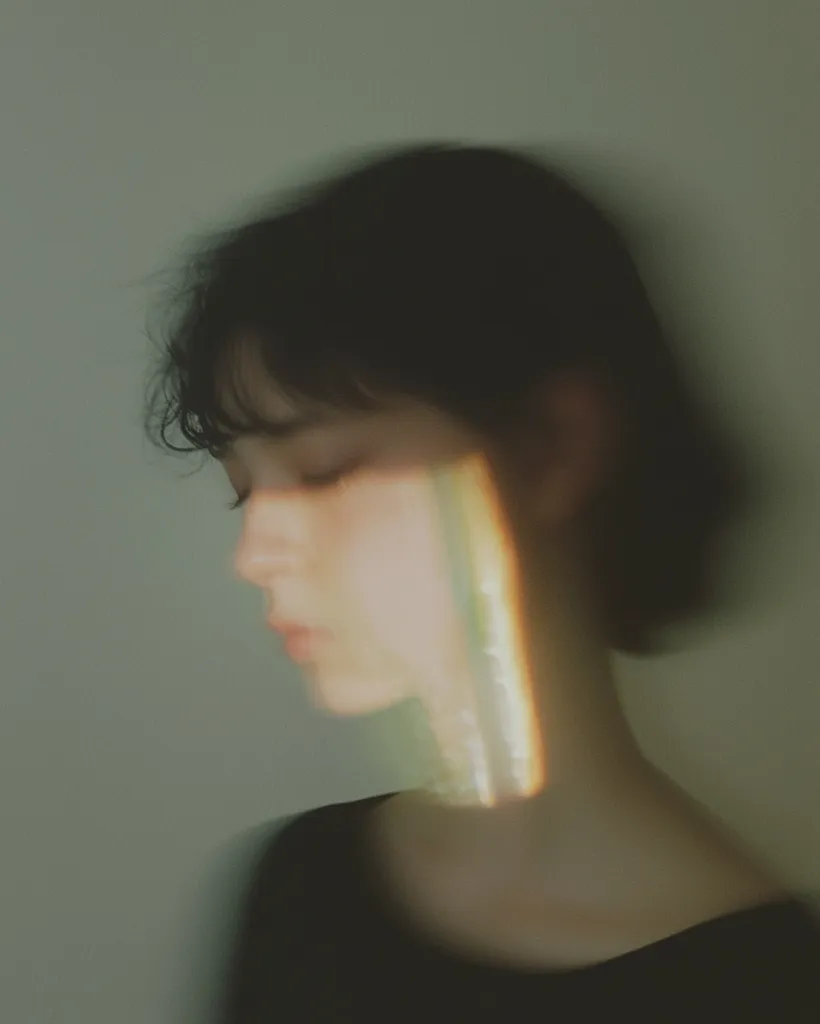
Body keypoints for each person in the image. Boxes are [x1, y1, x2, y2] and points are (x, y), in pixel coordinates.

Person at [143, 144, 820, 1022]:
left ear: (552, 448)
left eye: (324, 470)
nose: (256, 552)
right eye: (243, 489)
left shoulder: (764, 988)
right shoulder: (302, 882)